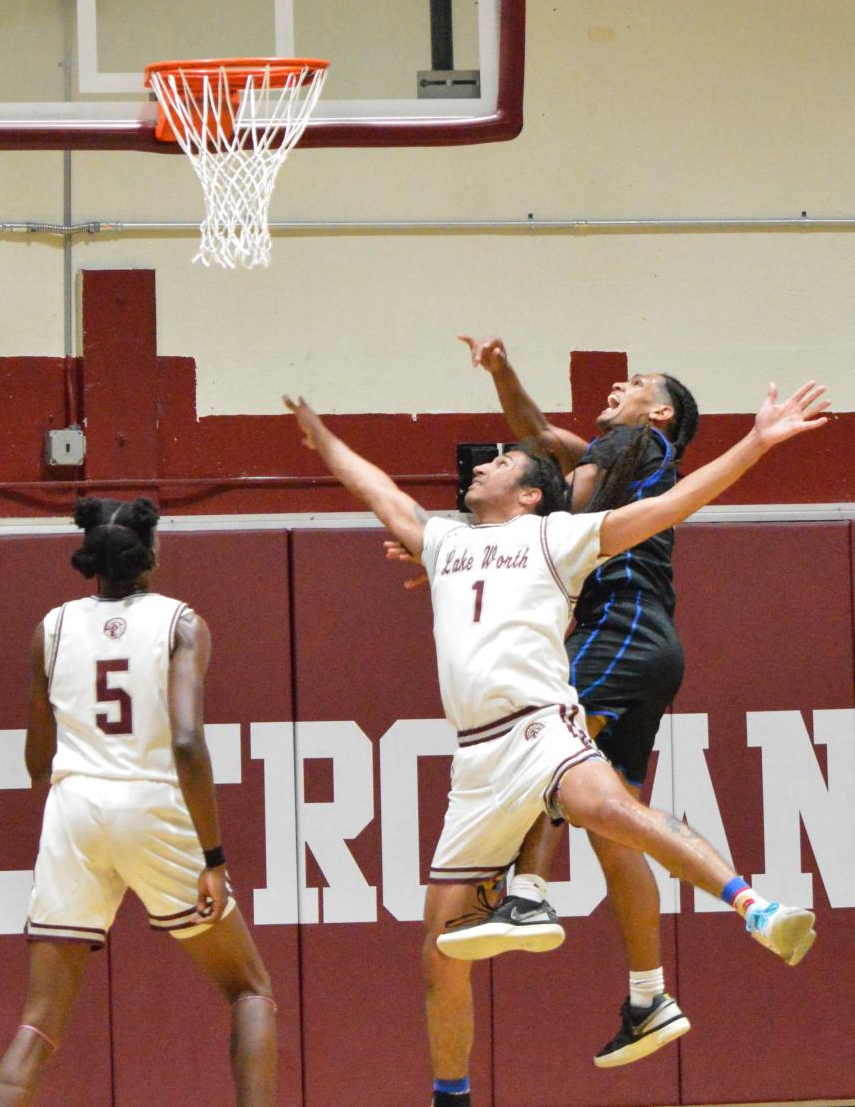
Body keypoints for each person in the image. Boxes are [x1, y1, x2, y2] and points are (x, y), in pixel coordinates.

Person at [284, 382, 825, 1107]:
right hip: (476, 763)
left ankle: (754, 908)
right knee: (439, 953)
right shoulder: (446, 543)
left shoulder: (558, 536)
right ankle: (455, 1094)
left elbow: (673, 504)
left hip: (542, 725)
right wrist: (323, 438)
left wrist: (757, 441)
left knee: (615, 812)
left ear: (533, 494)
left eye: (503, 460)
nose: (486, 464)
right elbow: (378, 489)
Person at [438, 336, 700, 1068]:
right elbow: (538, 436)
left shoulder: (634, 446)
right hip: (647, 646)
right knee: (613, 828)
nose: (621, 382)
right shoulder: (614, 451)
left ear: (662, 411)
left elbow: (555, 505)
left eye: (640, 380)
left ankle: (525, 890)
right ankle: (649, 997)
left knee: (542, 747)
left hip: (618, 628)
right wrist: (501, 370)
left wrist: (469, 549)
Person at [0, 497, 275, 1107]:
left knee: (37, 1022)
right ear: (152, 552)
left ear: (90, 556)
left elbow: (36, 762)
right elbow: (188, 744)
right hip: (150, 803)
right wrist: (213, 857)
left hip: (74, 809)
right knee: (250, 990)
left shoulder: (51, 628)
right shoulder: (182, 623)